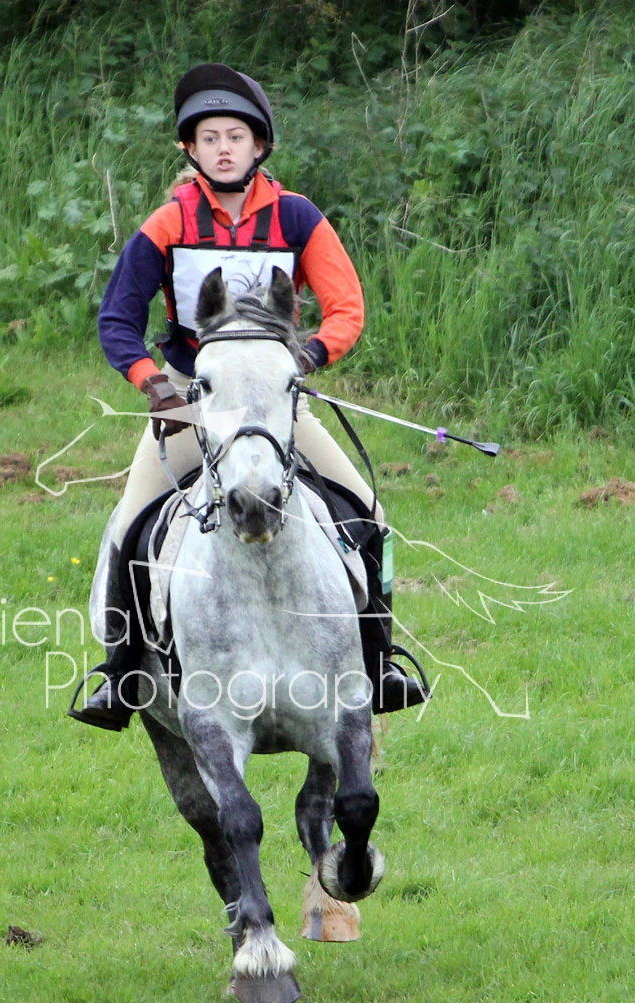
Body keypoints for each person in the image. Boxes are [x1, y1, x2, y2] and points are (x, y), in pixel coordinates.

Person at [71, 63, 427, 730]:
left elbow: (346, 308)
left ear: (259, 145)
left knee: (370, 515)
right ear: (190, 149)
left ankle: (379, 664)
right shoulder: (168, 222)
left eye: (235, 136)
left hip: (273, 399)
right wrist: (154, 384)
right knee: (129, 526)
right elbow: (117, 319)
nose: (224, 148)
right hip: (192, 401)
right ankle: (120, 676)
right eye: (209, 138)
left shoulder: (297, 217)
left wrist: (305, 358)